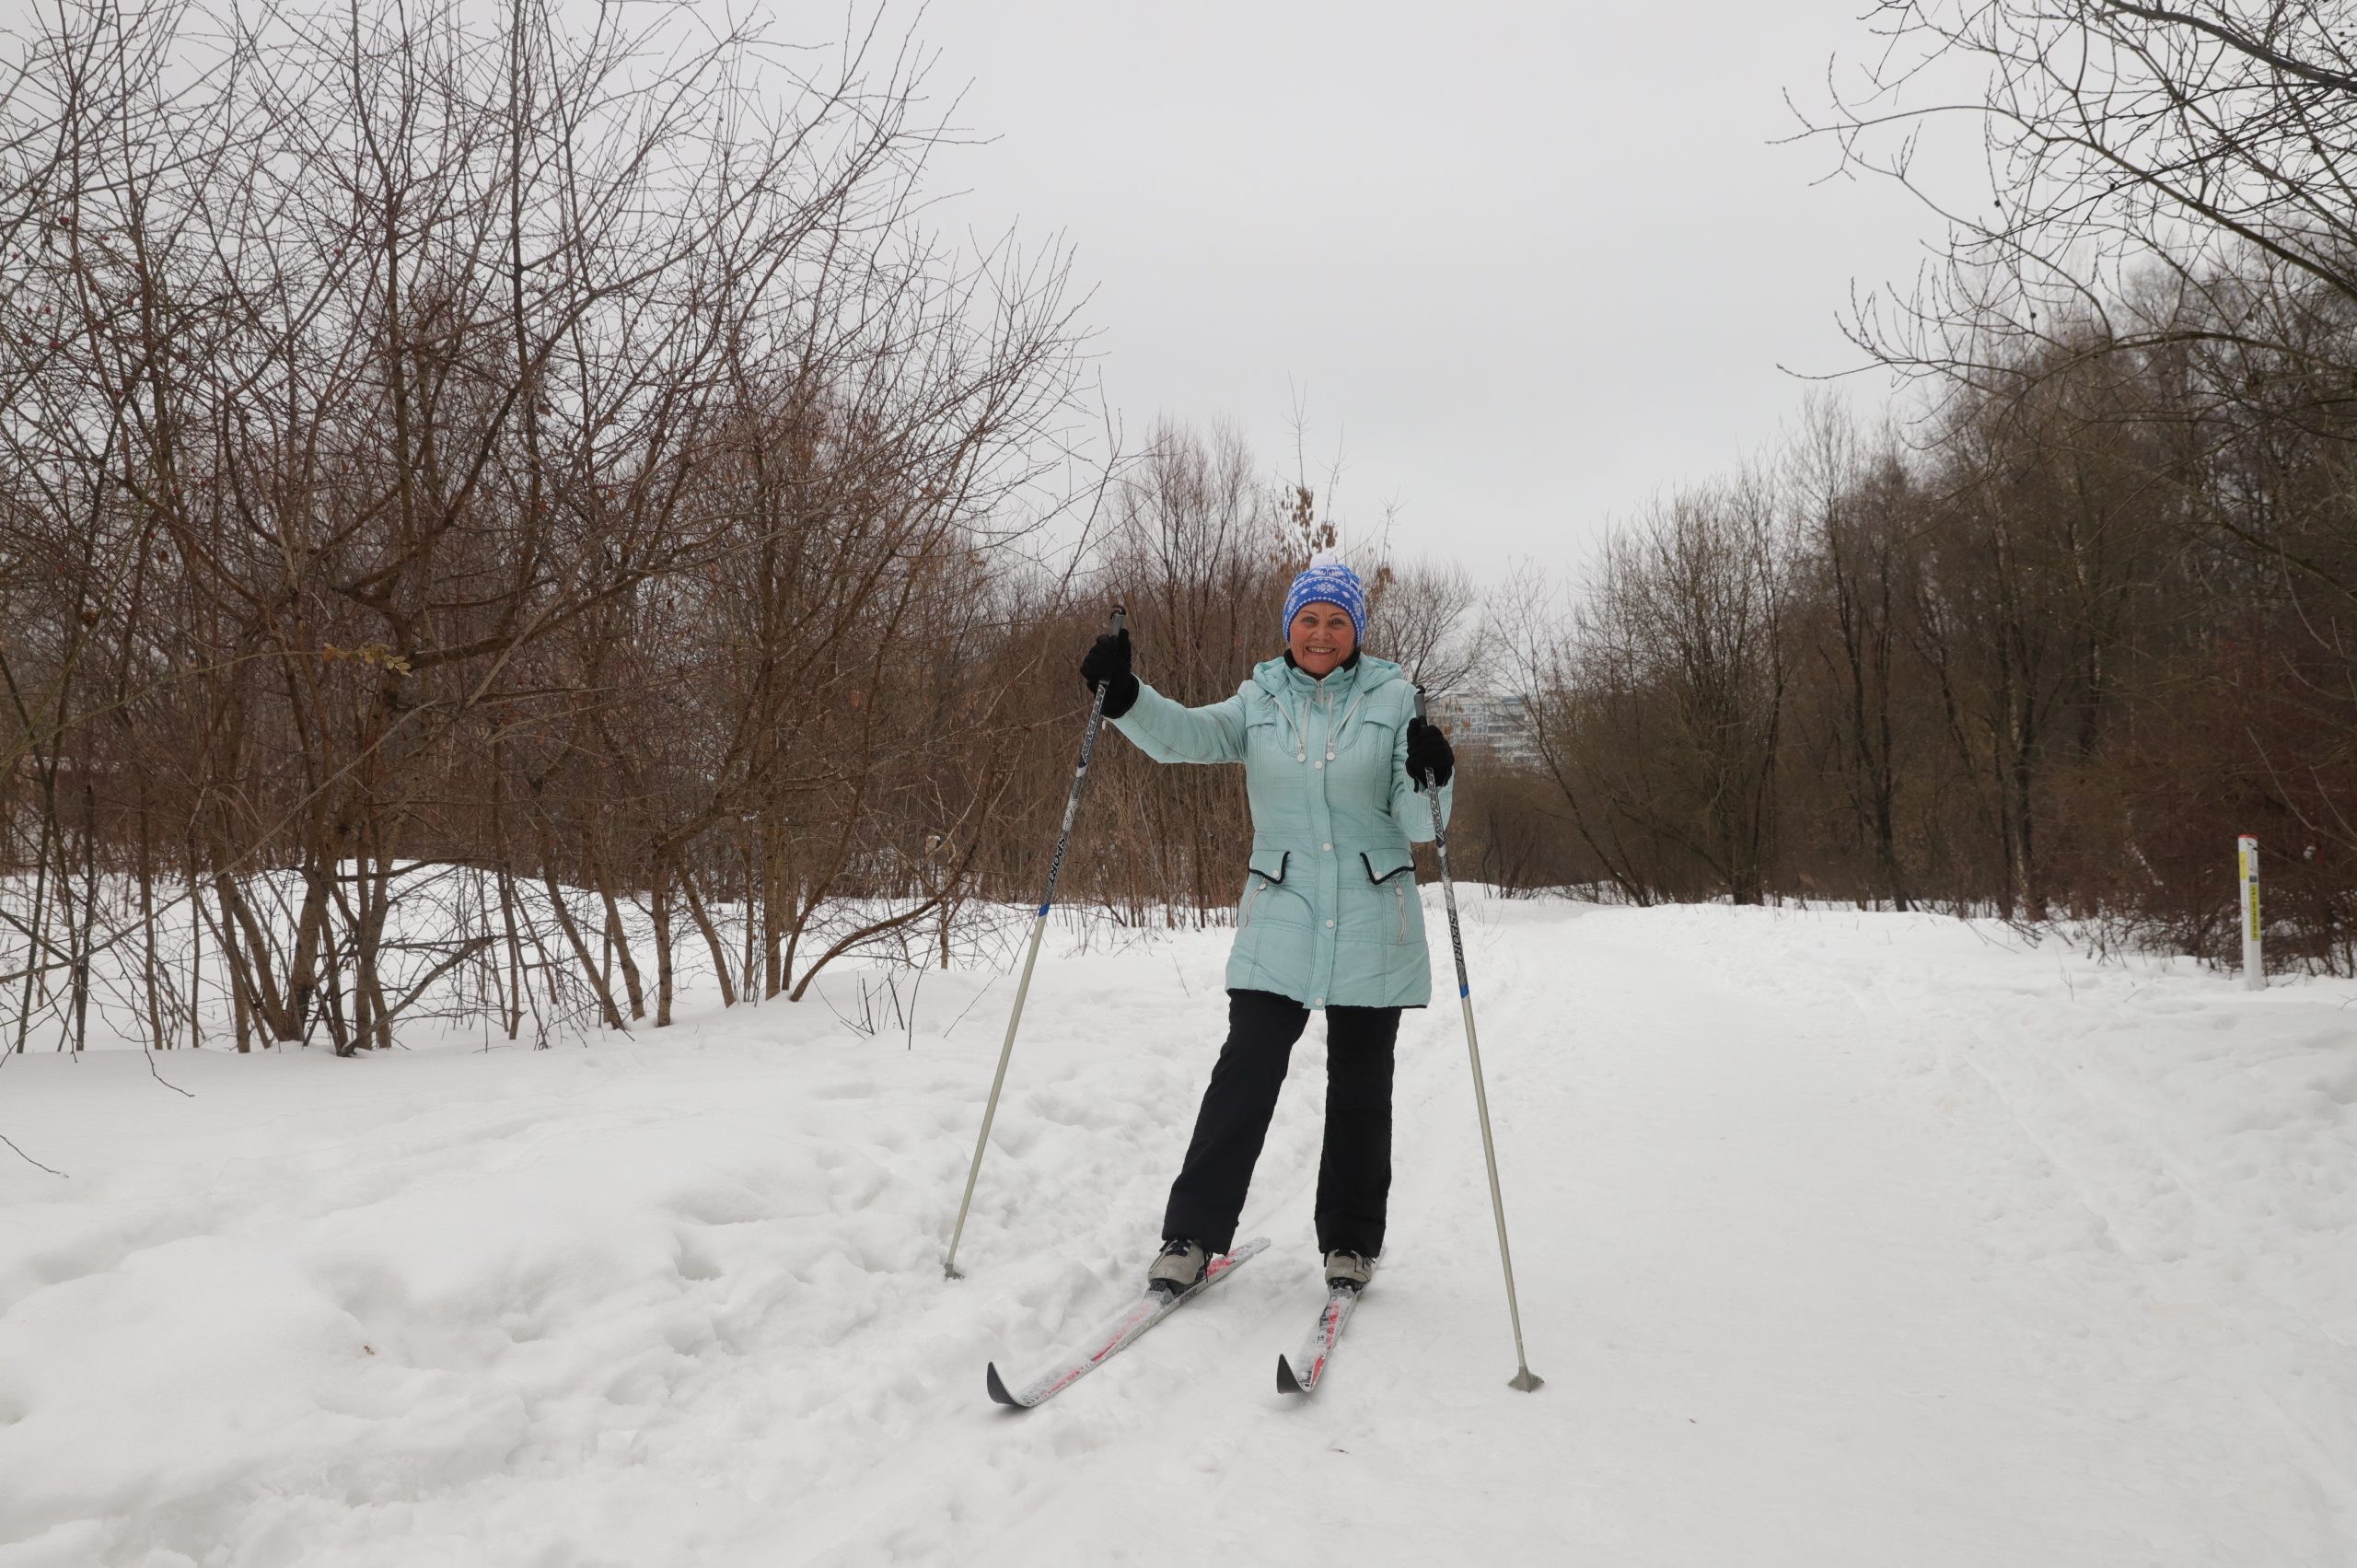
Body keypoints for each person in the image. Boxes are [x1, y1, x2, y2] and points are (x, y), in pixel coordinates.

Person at [1077, 553, 1455, 1298]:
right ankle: (1190, 1235)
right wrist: (1123, 697)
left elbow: (1418, 824)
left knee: (1360, 1086)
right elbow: (1182, 735)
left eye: (1336, 621)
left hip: (1374, 914)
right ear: (1290, 627)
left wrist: (1433, 771)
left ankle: (1350, 1243)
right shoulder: (1260, 701)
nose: (1321, 633)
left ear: (1357, 631)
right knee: (1245, 1069)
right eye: (1309, 619)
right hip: (1281, 911)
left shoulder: (1393, 700)